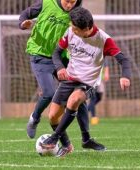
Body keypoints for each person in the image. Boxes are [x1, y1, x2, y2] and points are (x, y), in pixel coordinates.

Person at [40, 7, 131, 157]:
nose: (72, 30)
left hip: (88, 83)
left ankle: (53, 139)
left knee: (74, 100)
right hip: (70, 79)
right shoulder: (70, 31)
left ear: (87, 29)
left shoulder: (103, 40)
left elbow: (123, 59)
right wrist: (60, 67)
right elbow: (56, 52)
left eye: (75, 29)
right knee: (52, 117)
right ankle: (71, 144)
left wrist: (125, 76)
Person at [19, 0, 105, 155]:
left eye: (73, 2)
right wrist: (23, 23)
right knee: (49, 94)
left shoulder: (76, 13)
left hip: (62, 57)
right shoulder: (46, 3)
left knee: (79, 95)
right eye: (67, 1)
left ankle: (81, 140)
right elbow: (26, 13)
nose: (70, 5)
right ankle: (35, 118)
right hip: (39, 54)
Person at [88, 60, 109, 125]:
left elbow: (106, 63)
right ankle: (94, 117)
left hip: (100, 79)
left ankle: (84, 111)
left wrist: (106, 73)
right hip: (91, 78)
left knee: (99, 97)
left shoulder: (102, 53)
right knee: (93, 98)